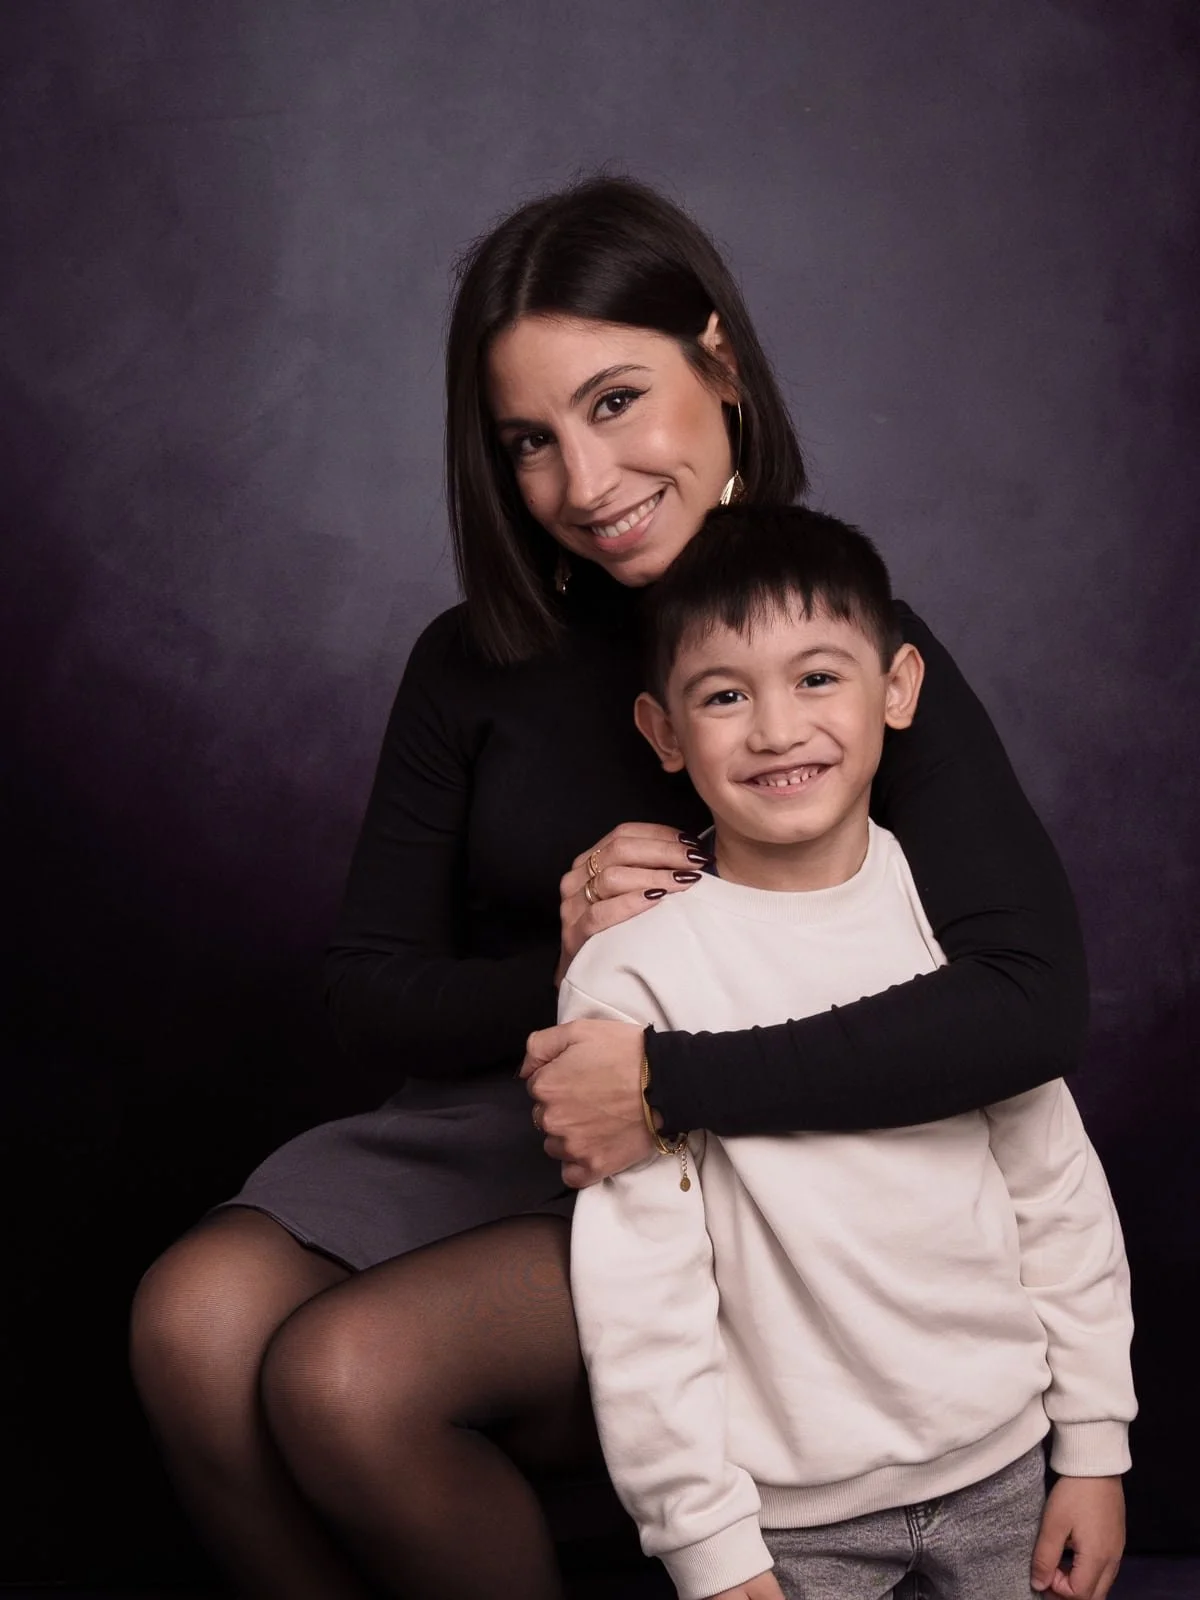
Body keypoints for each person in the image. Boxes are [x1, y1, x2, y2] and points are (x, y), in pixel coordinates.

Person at [129, 176, 1089, 1600]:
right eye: (531, 440)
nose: (585, 483)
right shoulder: (469, 662)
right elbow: (367, 994)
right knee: (191, 1321)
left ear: (720, 362)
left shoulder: (840, 649)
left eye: (616, 401)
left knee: (344, 1379)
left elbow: (1028, 1005)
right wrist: (567, 959)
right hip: (494, 1118)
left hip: (726, 1153)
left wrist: (659, 1086)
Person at [563, 504, 1134, 1600]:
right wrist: (709, 1546)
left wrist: (1095, 1444)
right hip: (789, 1515)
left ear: (900, 688)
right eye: (726, 694)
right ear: (663, 732)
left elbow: (1056, 1197)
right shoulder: (634, 974)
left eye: (818, 678)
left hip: (1007, 1461)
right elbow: (643, 1302)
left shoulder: (960, 924)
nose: (777, 728)